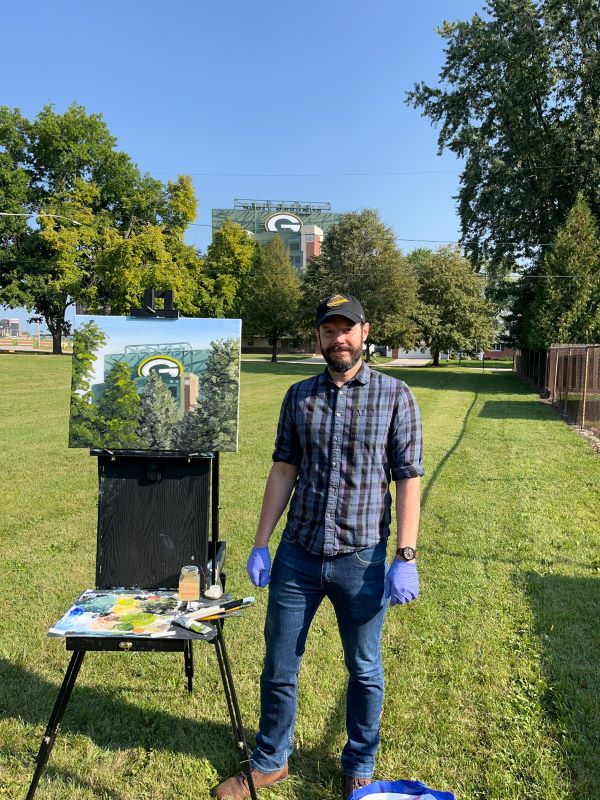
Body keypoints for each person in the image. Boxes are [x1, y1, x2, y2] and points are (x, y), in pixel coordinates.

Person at [214, 294, 423, 800]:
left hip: (364, 559)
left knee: (365, 667)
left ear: (365, 332)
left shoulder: (397, 396)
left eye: (347, 329)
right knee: (279, 663)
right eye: (329, 331)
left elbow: (407, 477)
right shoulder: (299, 396)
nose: (339, 339)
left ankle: (360, 762)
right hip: (298, 555)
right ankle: (270, 759)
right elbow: (284, 467)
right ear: (319, 339)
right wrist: (261, 542)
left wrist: (405, 555)